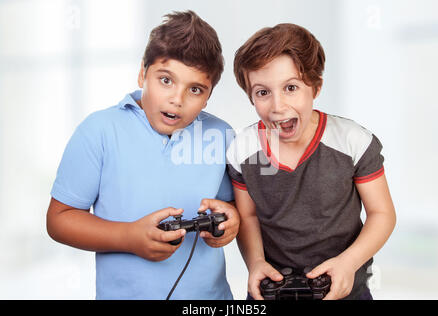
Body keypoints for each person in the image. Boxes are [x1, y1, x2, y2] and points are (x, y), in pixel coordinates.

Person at [47, 10, 239, 300]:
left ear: (209, 95)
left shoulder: (222, 135)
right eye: (166, 80)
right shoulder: (98, 131)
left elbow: (233, 207)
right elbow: (59, 219)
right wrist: (130, 238)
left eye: (195, 89)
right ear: (142, 73)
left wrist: (231, 221)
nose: (177, 98)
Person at [227, 23, 396, 300]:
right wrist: (255, 262)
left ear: (315, 87)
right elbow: (247, 215)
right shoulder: (242, 150)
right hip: (272, 291)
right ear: (250, 97)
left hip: (346, 289)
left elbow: (382, 213)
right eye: (262, 92)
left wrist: (349, 263)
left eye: (291, 87)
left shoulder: (353, 140)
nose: (278, 105)